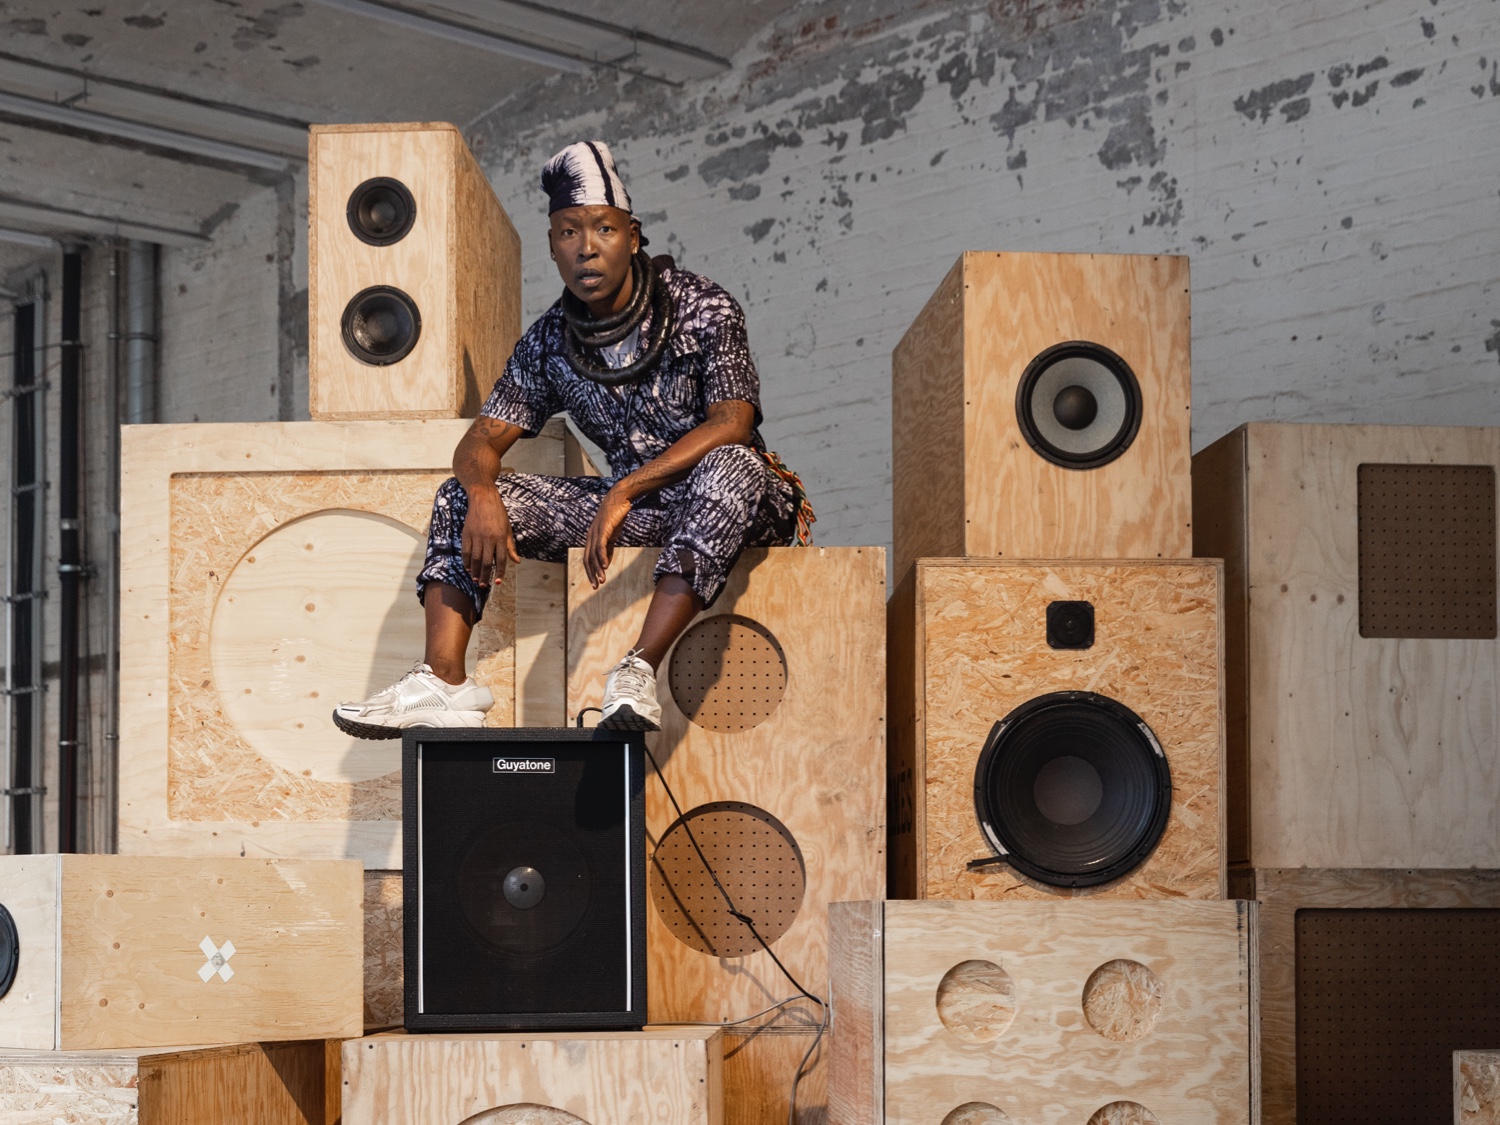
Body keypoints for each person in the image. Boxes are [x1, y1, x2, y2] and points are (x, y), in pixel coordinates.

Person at [333, 140, 811, 736]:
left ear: (632, 237)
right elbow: (479, 442)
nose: (586, 247)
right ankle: (443, 683)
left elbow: (731, 423)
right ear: (553, 245)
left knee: (731, 463)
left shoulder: (702, 306)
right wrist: (482, 494)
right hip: (645, 510)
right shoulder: (549, 341)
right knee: (459, 496)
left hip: (741, 501)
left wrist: (623, 490)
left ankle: (637, 671)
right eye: (568, 232)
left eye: (603, 229)